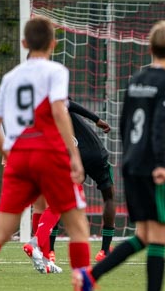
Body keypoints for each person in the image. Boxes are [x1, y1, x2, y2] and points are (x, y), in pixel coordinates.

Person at [0, 16, 113, 291]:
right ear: (53, 43)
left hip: (20, 155)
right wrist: (74, 157)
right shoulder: (55, 71)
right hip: (49, 154)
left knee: (0, 231)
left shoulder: (10, 78)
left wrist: (10, 156)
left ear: (24, 43)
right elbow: (58, 110)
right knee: (78, 226)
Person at [72, 20, 165, 291]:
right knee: (159, 234)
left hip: (131, 163)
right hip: (152, 166)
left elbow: (125, 123)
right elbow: (161, 126)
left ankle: (90, 277)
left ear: (149, 47)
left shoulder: (136, 78)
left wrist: (129, 158)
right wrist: (161, 165)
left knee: (144, 235)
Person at [22, 99, 117, 273]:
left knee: (54, 203)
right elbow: (71, 104)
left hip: (65, 158)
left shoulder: (34, 110)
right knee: (106, 198)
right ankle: (103, 251)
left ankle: (47, 252)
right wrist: (97, 119)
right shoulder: (53, 96)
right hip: (93, 152)